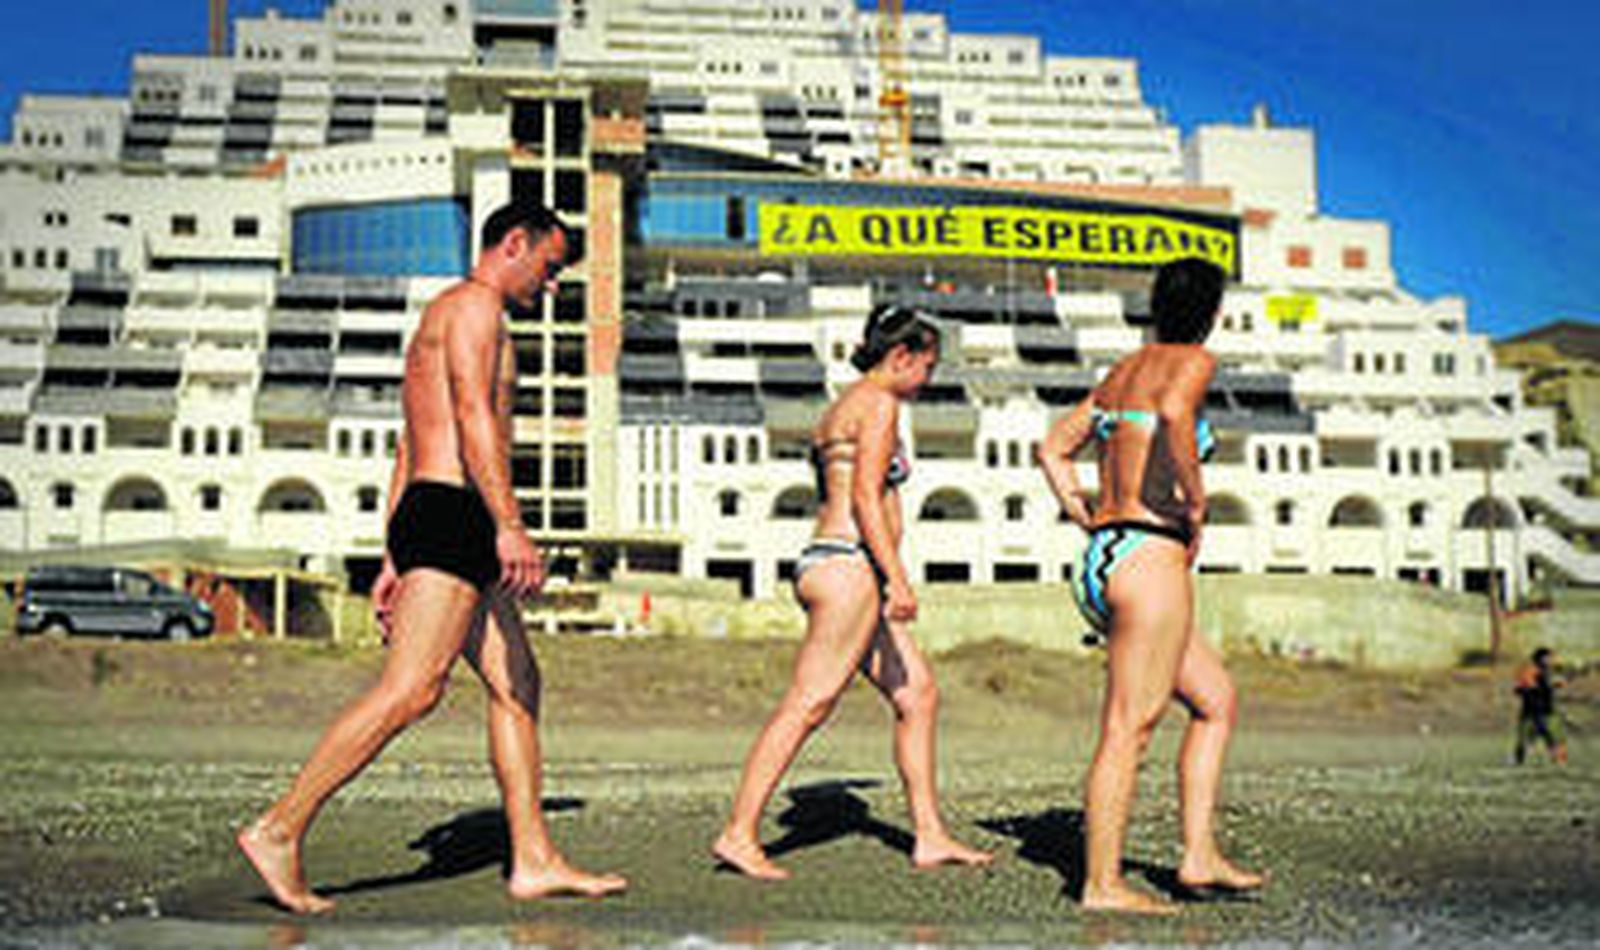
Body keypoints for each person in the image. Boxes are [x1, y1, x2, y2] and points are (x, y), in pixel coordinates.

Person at [236, 203, 627, 913]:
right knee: (412, 689)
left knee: (517, 682)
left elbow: (409, 441)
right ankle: (278, 828)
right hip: (457, 512)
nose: (553, 285)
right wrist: (509, 525)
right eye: (550, 267)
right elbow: (474, 416)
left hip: (436, 509)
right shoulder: (476, 309)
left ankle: (533, 858)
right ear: (514, 243)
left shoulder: (441, 315)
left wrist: (395, 553)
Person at [712, 304, 994, 880]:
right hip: (850, 566)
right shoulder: (880, 404)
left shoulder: (842, 406)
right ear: (901, 356)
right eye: (928, 365)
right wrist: (897, 577)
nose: (930, 378)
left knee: (918, 694)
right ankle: (738, 833)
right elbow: (866, 497)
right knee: (809, 703)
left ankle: (930, 835)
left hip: (832, 562)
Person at [1037, 257, 1263, 915]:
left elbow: (1053, 448)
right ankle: (1102, 884)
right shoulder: (1192, 362)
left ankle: (1199, 855)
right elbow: (1172, 412)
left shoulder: (1122, 372)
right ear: (1212, 312)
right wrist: (1197, 502)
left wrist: (1078, 507)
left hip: (1104, 554)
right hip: (1149, 555)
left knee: (1215, 700)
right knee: (1128, 728)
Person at [1513, 647, 1568, 765]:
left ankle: (1558, 759)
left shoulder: (1549, 672)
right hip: (1531, 710)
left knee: (1554, 736)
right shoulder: (1530, 671)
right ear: (1540, 658)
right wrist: (1532, 689)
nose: (1550, 660)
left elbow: (1558, 684)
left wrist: (1554, 685)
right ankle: (1519, 760)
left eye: (1551, 658)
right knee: (1525, 738)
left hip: (1547, 709)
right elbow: (1523, 687)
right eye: (1548, 658)